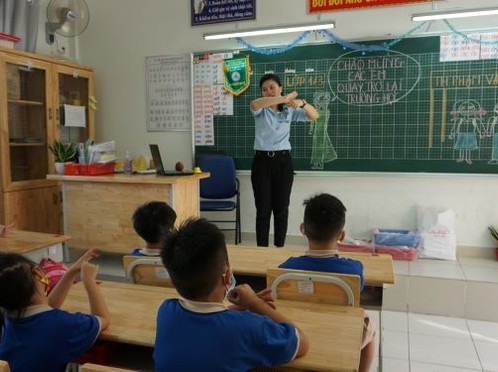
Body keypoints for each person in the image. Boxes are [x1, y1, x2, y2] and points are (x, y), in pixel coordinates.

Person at [154, 218, 309, 371]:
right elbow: (301, 342)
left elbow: (206, 322)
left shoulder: (166, 311)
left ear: (172, 281)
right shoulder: (248, 327)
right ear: (228, 276)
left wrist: (241, 307)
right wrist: (256, 304)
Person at [278, 193, 376, 372]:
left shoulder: (285, 269)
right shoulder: (354, 270)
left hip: (298, 333)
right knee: (369, 324)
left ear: (302, 229)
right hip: (338, 336)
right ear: (342, 235)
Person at [0, 249, 109, 372]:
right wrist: (89, 282)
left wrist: (71, 272)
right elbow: (103, 319)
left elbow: (47, 309)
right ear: (37, 275)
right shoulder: (64, 325)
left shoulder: (1, 323)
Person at [250, 73, 319, 247]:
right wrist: (283, 98)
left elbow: (314, 115)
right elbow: (254, 104)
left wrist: (301, 103)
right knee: (263, 210)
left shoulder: (289, 109)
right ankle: (262, 250)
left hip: (283, 162)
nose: (268, 91)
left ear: (280, 87)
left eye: (272, 87)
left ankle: (279, 248)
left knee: (281, 209)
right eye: (264, 89)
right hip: (261, 163)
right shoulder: (261, 109)